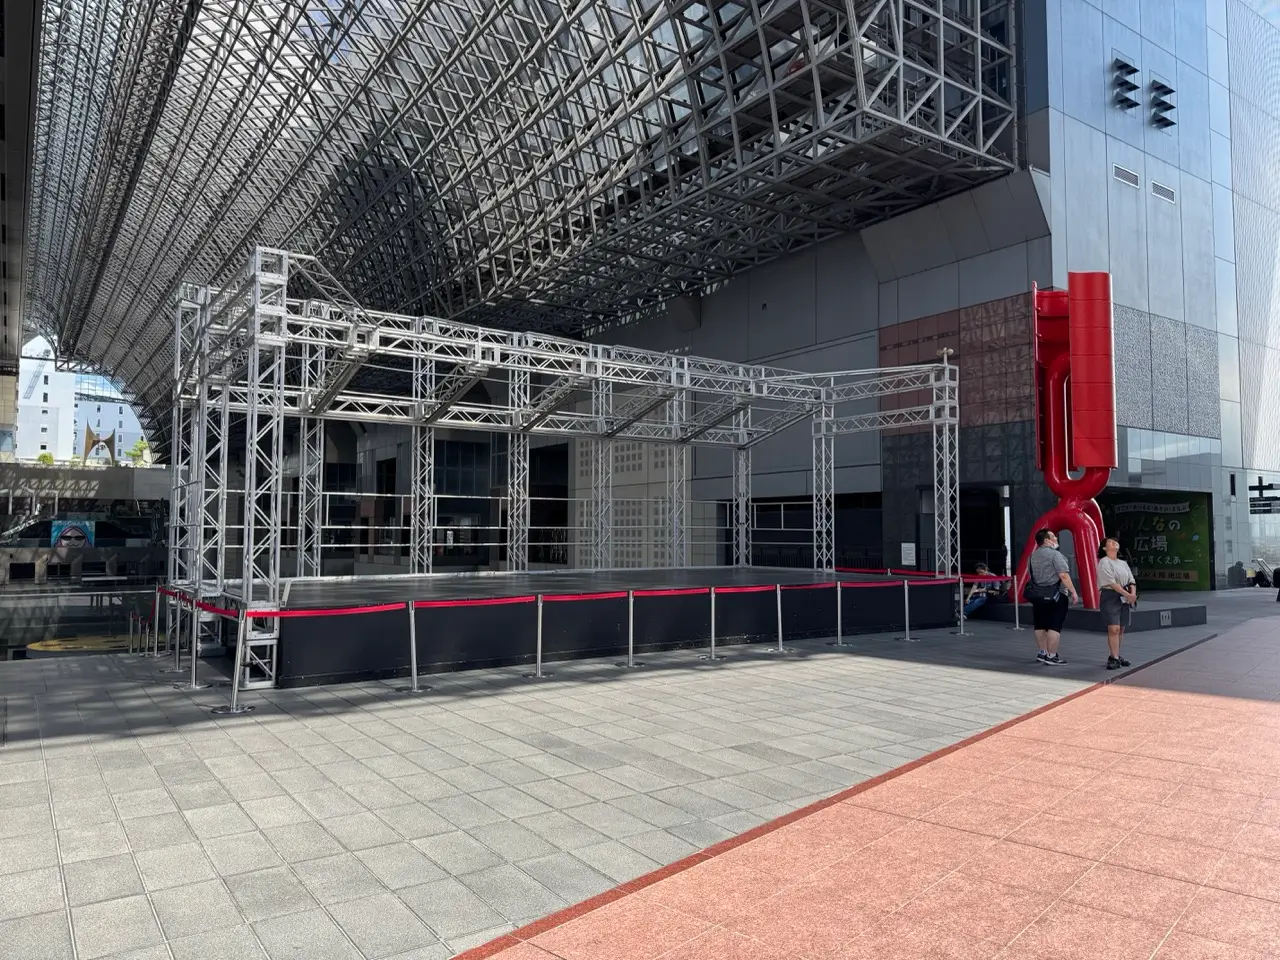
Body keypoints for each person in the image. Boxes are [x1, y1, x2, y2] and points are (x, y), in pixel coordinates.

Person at [1027, 528, 1078, 665]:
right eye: (1054, 537)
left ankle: (1042, 652)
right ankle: (1052, 656)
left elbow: (1031, 576)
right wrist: (1073, 591)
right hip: (1056, 595)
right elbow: (1063, 575)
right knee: (1054, 626)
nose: (1056, 539)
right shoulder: (1055, 555)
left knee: (1040, 625)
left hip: (1038, 595)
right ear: (1046, 540)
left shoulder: (1032, 556)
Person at [1097, 538, 1136, 669]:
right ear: (1104, 548)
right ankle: (1113, 657)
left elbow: (1131, 579)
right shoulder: (1104, 562)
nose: (1114, 543)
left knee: (1121, 628)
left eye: (1115, 541)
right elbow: (1112, 583)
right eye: (1110, 542)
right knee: (1114, 628)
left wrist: (1132, 593)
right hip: (1111, 595)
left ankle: (1117, 655)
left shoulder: (1123, 563)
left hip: (1125, 596)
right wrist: (1128, 595)